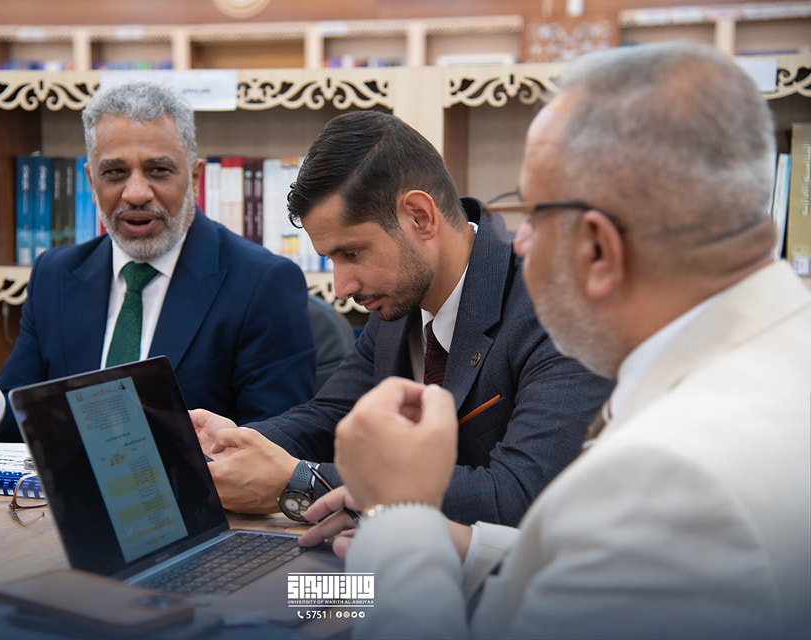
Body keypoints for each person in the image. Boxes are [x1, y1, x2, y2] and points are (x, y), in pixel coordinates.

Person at [301, 42, 811, 639]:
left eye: (536, 215)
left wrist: (402, 516)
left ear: (598, 248)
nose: (517, 241)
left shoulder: (675, 475)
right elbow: (610, 571)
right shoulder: (779, 353)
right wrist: (455, 543)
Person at [191, 110, 613, 525]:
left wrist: (303, 481)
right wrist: (233, 447)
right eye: (332, 259)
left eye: (352, 253)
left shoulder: (556, 308)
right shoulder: (399, 298)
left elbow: (519, 494)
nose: (342, 286)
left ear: (420, 217)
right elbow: (329, 417)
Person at [0, 81, 316, 441]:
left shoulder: (262, 282)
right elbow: (26, 427)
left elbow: (276, 446)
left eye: (158, 170)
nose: (136, 193)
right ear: (90, 180)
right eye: (115, 173)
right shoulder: (55, 276)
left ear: (194, 176)